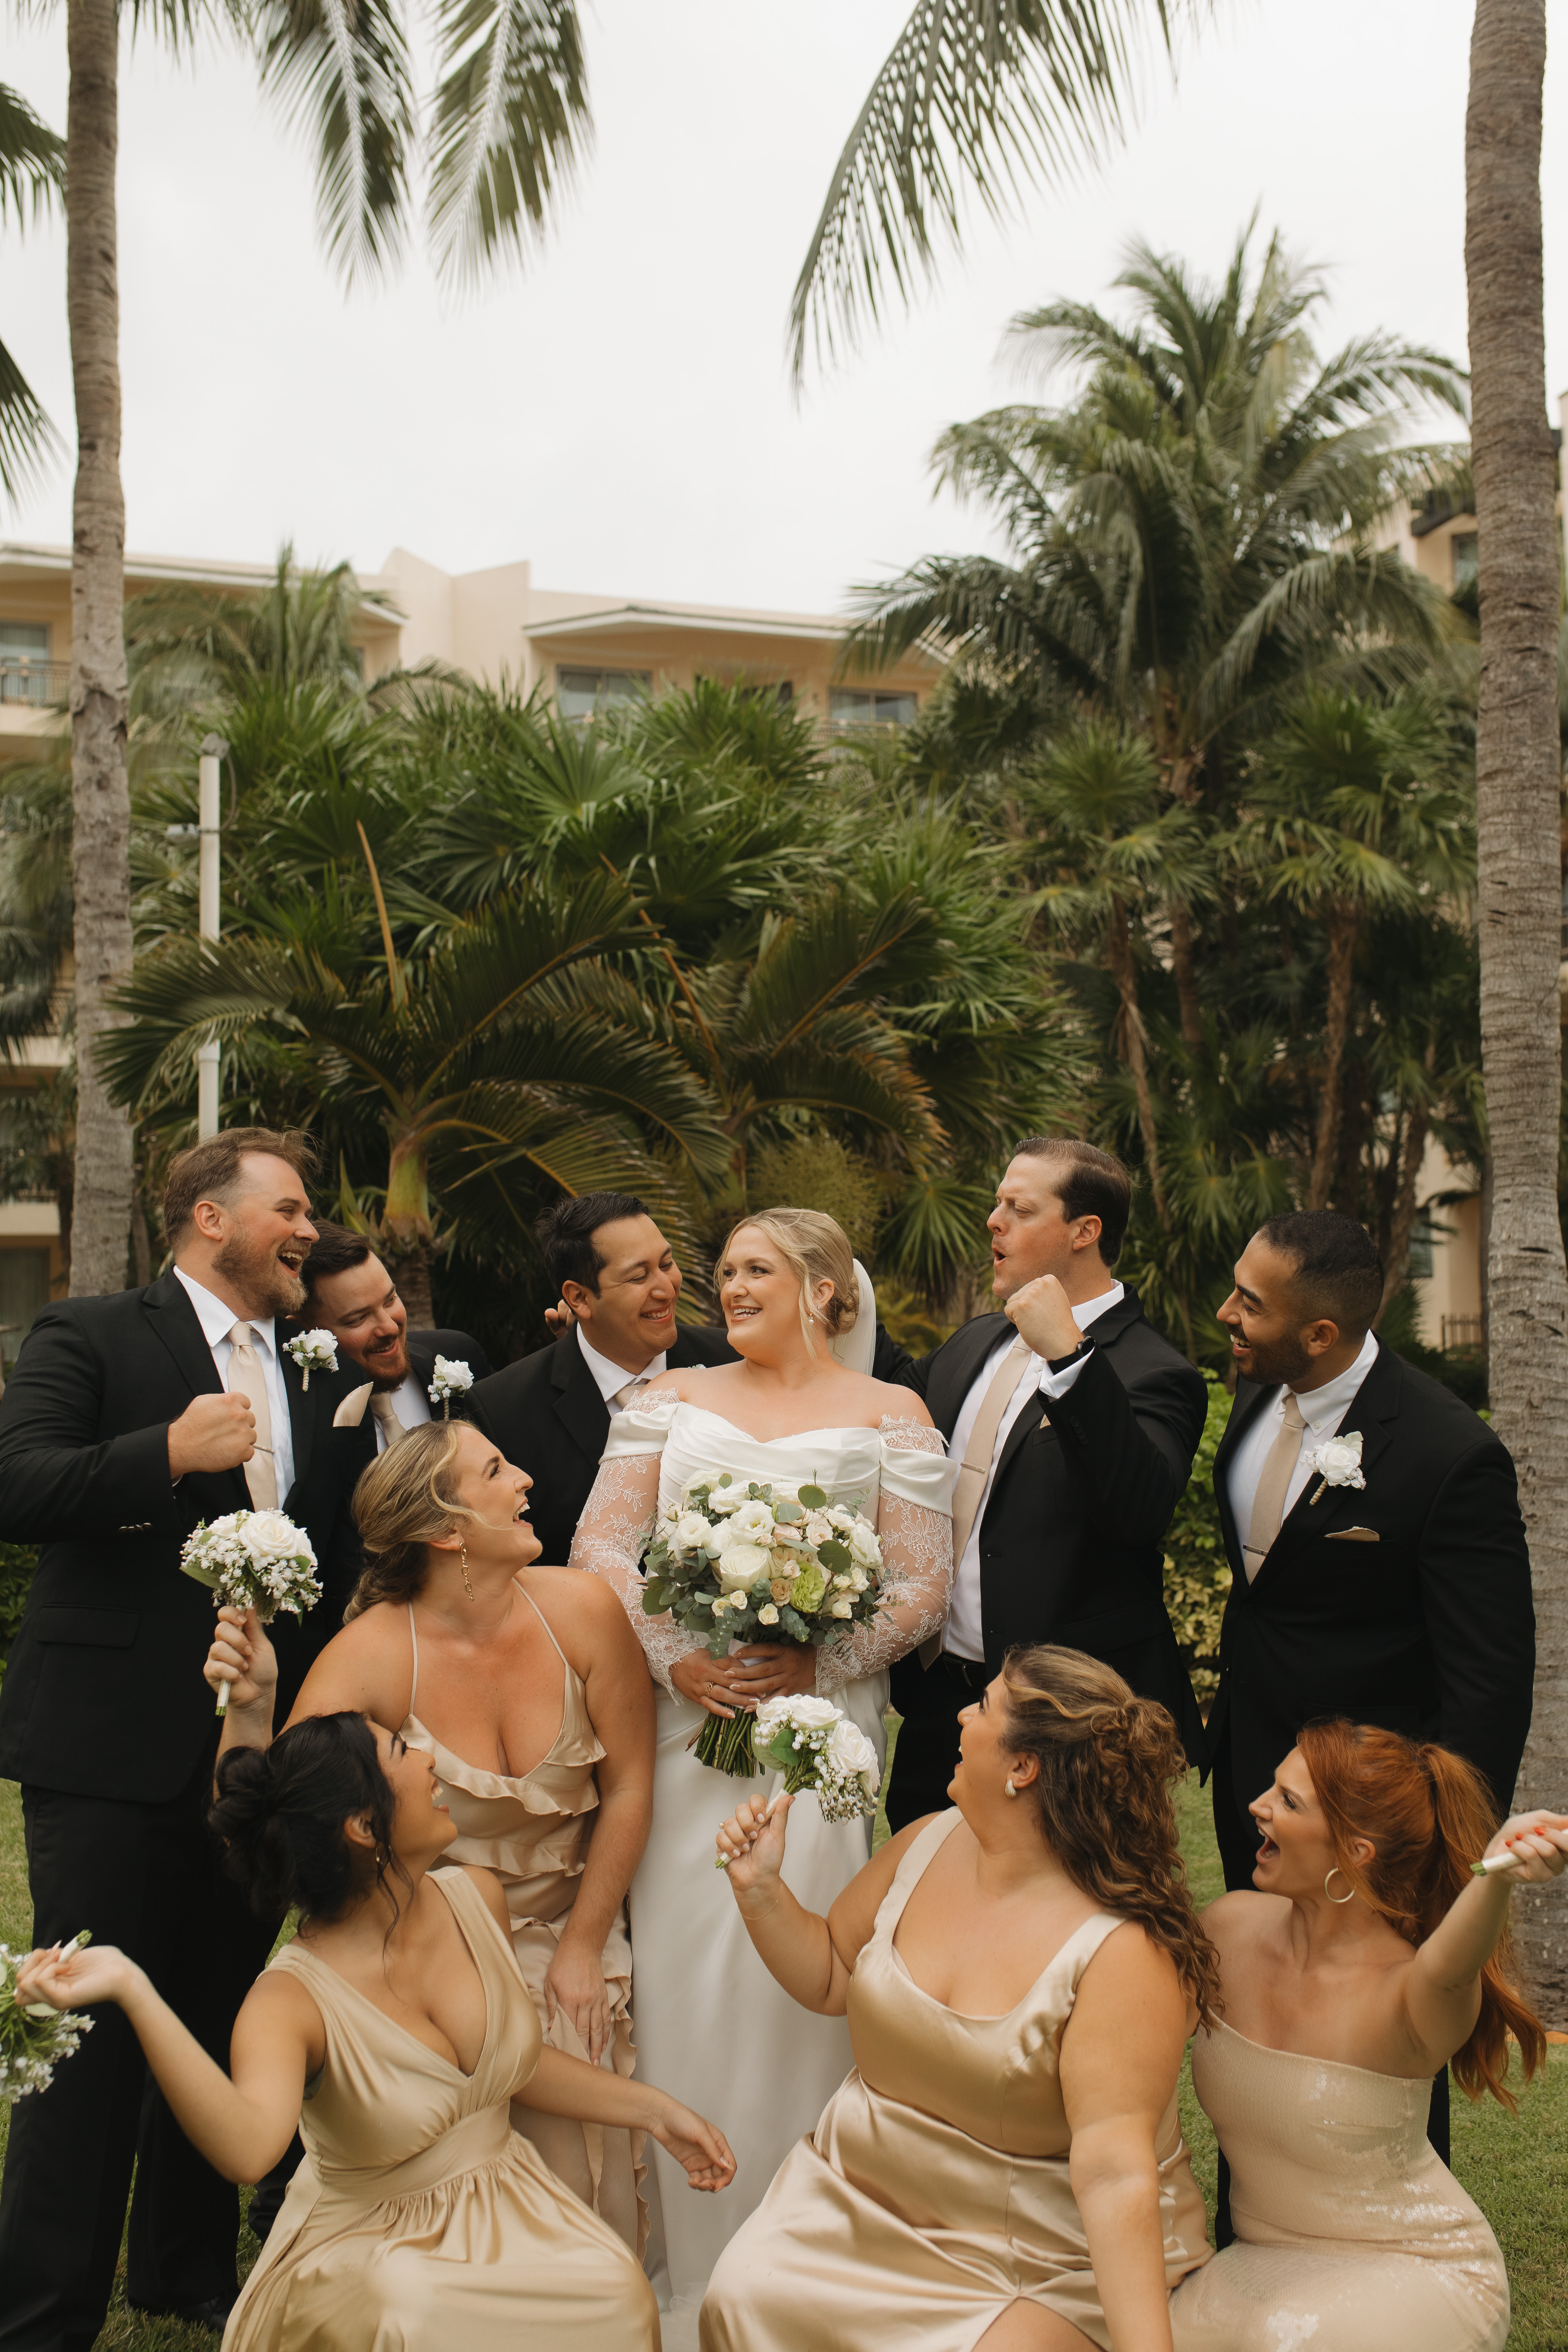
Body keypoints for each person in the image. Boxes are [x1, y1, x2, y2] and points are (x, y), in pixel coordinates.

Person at [14, 1710, 736, 2352]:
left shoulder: (471, 1896)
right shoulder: (288, 2000)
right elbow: (245, 2149)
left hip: (513, 2200)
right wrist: (135, 1992)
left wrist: (657, 2111)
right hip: (372, 2249)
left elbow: (508, 2067)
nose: (429, 1755)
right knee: (420, 2322)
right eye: (401, 1750)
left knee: (614, 2289)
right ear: (364, 1827)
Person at [0, 1126, 367, 2344]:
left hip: (257, 1750)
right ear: (212, 1218)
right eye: (293, 1208)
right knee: (90, 2036)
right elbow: (20, 1487)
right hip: (110, 1746)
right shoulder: (93, 1333)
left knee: (223, 2012)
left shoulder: (314, 1372)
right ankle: (46, 2313)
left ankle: (184, 2271)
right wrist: (167, 1452)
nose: (309, 1229)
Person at [569, 1208, 955, 2335]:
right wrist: (675, 1654)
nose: (729, 1286)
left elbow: (920, 1585)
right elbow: (600, 1541)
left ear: (827, 1289)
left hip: (818, 1735)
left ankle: (806, 2259)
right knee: (691, 1966)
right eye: (725, 1270)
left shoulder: (895, 1414)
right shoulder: (663, 1399)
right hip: (687, 1734)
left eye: (756, 1269)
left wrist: (815, 1655)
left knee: (806, 1969)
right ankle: (686, 2259)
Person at [206, 1416, 656, 2254]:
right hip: (438, 1952)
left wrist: (585, 1947)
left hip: (583, 1925)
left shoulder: (584, 1610)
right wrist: (253, 1708)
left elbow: (628, 1785)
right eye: (496, 1470)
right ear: (448, 1532)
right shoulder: (369, 1658)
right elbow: (274, 1820)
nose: (525, 1479)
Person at [703, 1646, 1214, 2352]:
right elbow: (828, 1973)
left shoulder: (1119, 1953)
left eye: (983, 1706)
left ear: (1022, 1767)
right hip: (854, 2205)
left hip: (1037, 2255)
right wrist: (760, 1890)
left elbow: (1112, 2173)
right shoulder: (926, 1841)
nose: (959, 1715)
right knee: (741, 2292)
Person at [1169, 1721, 1564, 2352]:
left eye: (1288, 1801)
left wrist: (1499, 1877)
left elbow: (1450, 1967)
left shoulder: (1410, 1993)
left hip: (1415, 2267)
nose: (1257, 1807)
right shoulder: (1227, 1928)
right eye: (1274, 1787)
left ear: (1354, 1852)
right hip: (1261, 2267)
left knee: (1290, 2340)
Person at [884, 1137, 1208, 1833]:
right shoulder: (973, 1343)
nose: (992, 1222)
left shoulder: (1155, 1372)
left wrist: (1068, 1359)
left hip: (1070, 1731)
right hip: (942, 1710)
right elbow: (877, 1400)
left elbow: (1136, 1508)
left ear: (1083, 1232)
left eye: (1018, 1208)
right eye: (996, 1204)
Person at [1208, 1213, 1535, 1887]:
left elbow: (1488, 1683)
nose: (1226, 1314)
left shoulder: (1451, 1457)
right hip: (1248, 1773)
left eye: (1251, 1304)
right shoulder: (1261, 1381)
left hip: (1362, 1810)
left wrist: (1453, 1845)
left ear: (1319, 1335)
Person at [468, 1194, 738, 1569]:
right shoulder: (503, 1410)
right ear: (579, 1298)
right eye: (639, 1276)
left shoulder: (732, 1359)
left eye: (667, 1264)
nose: (666, 1288)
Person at [282, 1220, 492, 1701]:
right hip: (383, 1674)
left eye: (390, 1299)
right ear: (305, 1334)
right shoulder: (308, 1426)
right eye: (358, 1319)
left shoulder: (457, 1356)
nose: (389, 1326)